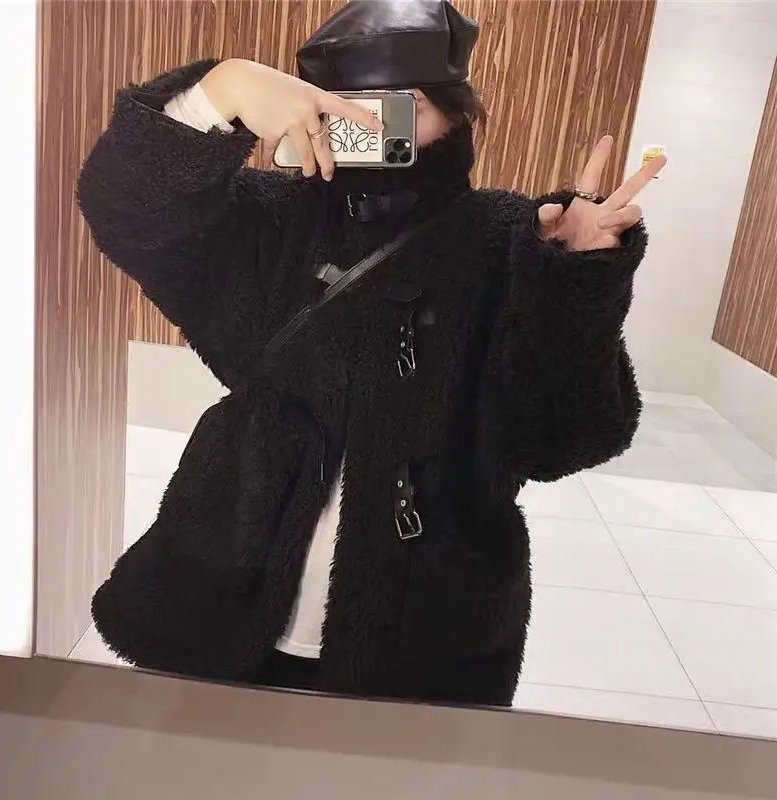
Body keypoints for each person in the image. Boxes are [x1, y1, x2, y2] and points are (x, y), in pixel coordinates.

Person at [78, 0, 665, 706]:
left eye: (398, 106)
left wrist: (573, 286)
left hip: (424, 638)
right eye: (345, 106)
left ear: (456, 115)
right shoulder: (267, 221)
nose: (368, 125)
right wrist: (220, 91)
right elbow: (125, 210)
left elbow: (567, 440)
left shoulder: (510, 242)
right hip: (216, 601)